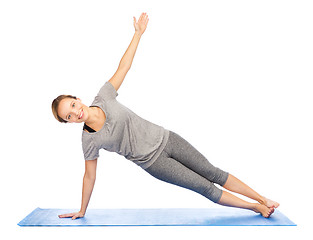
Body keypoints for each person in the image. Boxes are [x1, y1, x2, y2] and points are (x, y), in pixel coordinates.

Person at [52, 13, 279, 220]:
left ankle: (262, 199)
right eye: (69, 116)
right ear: (68, 122)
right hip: (155, 163)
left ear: (77, 98)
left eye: (73, 105)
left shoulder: (104, 96)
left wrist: (138, 34)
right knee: (205, 187)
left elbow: (124, 67)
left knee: (212, 172)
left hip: (168, 138)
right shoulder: (89, 140)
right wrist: (82, 209)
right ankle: (256, 208)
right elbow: (89, 177)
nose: (75, 112)